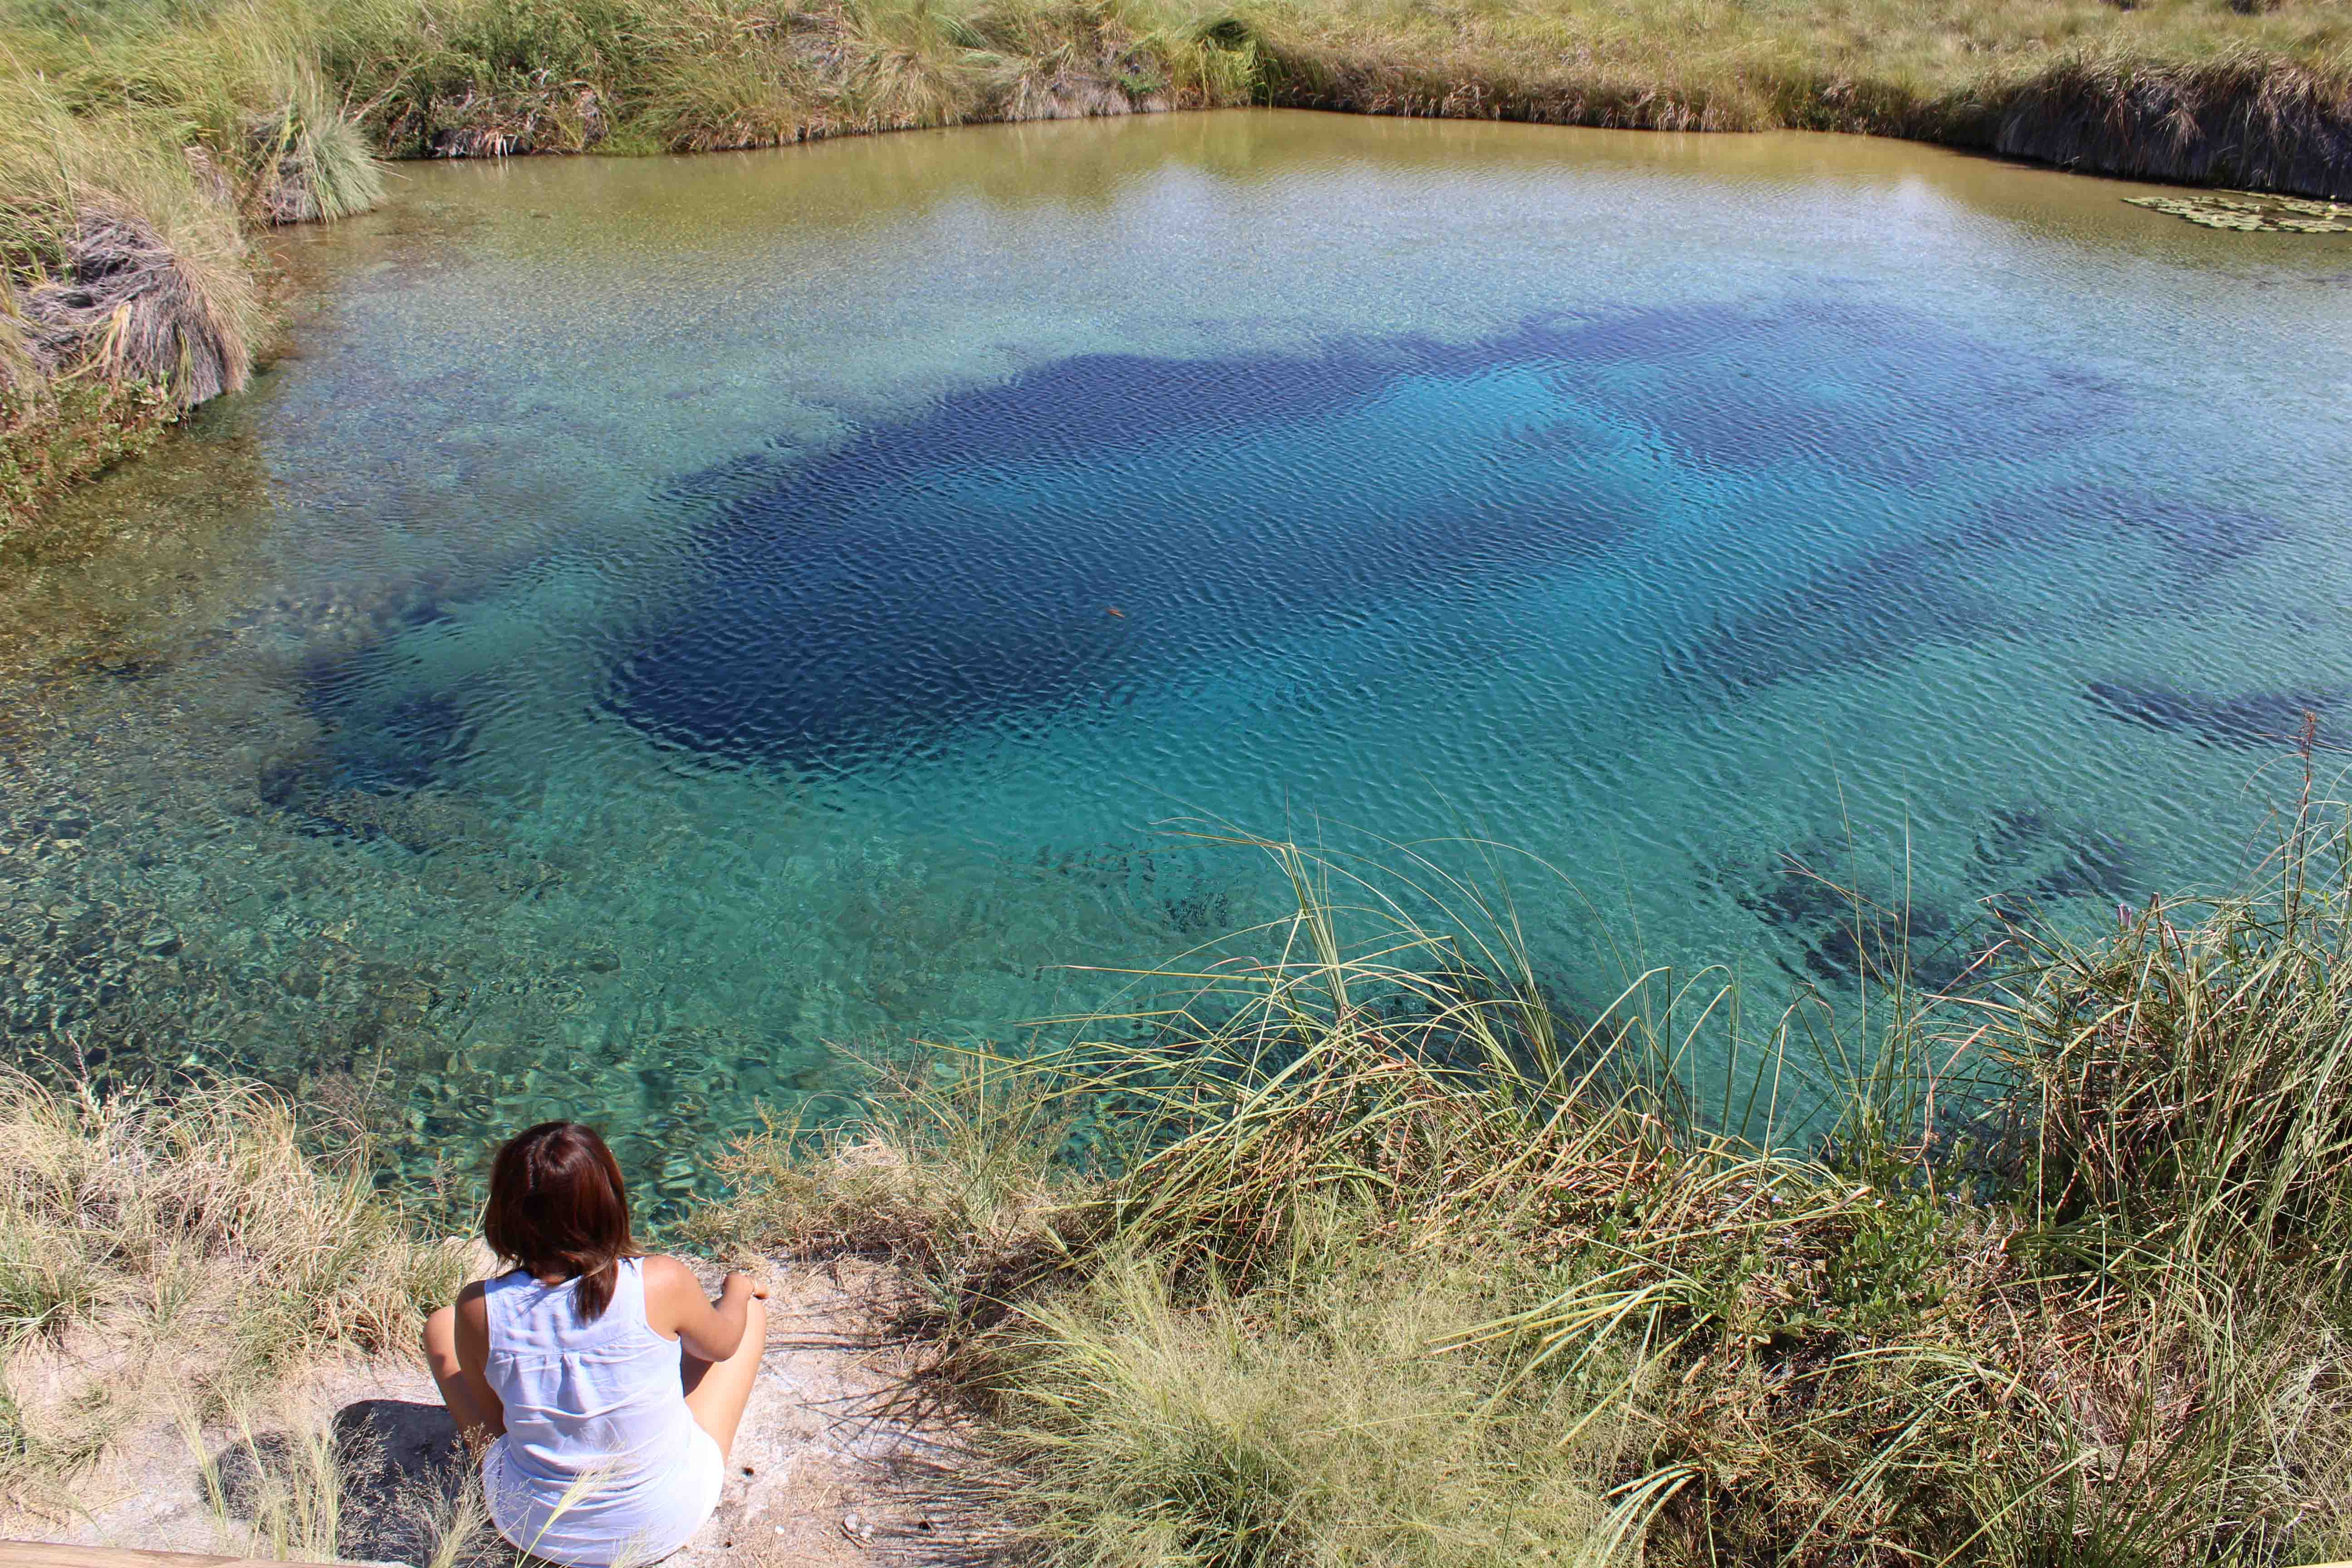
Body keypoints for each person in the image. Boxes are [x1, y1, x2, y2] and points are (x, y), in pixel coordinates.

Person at [422, 1122, 769, 1568]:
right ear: (609, 1201)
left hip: (534, 1528)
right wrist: (738, 1291)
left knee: (439, 1327)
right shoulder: (660, 1281)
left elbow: (499, 1427)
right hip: (662, 1521)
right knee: (746, 1318)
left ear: (505, 1212)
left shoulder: (478, 1308)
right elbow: (719, 1348)